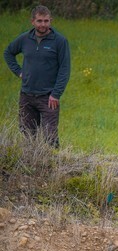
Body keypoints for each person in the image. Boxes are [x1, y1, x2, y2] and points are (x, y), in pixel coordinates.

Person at [3, 5, 71, 148]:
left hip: (48, 98)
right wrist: (18, 71)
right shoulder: (24, 39)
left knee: (50, 138)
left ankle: (55, 160)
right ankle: (33, 162)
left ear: (51, 21)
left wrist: (56, 94)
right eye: (39, 21)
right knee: (27, 136)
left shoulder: (60, 41)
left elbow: (64, 70)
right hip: (26, 95)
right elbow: (8, 53)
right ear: (32, 21)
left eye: (46, 21)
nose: (43, 24)